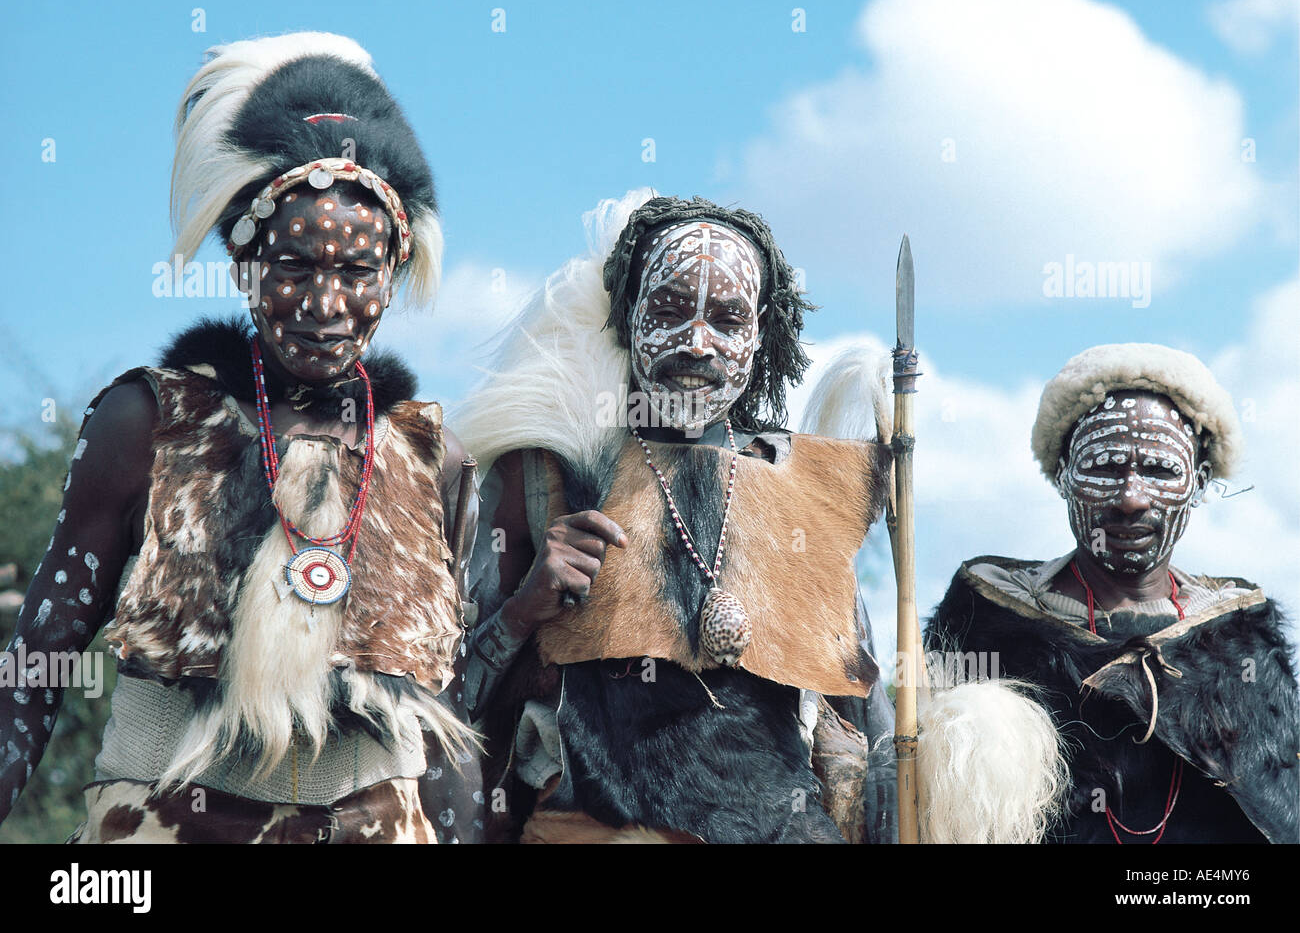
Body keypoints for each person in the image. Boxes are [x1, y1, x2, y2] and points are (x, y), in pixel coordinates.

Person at [0, 32, 481, 843]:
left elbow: (445, 712)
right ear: (242, 262)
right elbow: (39, 657)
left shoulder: (434, 457)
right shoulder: (147, 425)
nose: (325, 303)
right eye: (293, 264)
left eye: (357, 274)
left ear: (391, 279)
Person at [450, 191, 897, 843]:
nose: (696, 342)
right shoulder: (545, 478)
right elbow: (442, 702)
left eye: (726, 318)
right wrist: (525, 607)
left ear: (760, 328)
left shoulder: (799, 493)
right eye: (668, 309)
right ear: (628, 312)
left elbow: (870, 722)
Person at [923, 343, 1298, 843]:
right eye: (1105, 467)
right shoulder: (986, 621)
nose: (1131, 499)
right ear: (1063, 478)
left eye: (1161, 471)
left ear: (1199, 484)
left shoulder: (1240, 642)